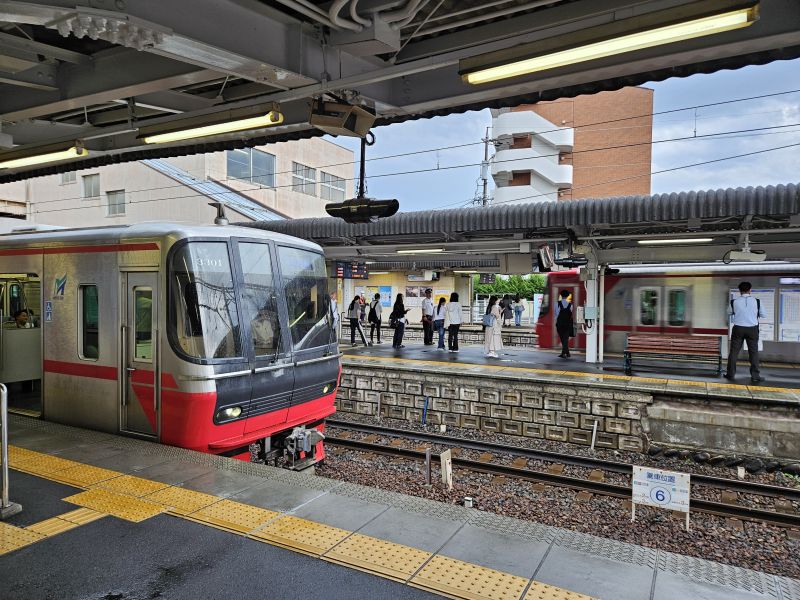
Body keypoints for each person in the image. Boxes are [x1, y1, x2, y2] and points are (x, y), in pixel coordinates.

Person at [725, 281, 765, 383]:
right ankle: (755, 376)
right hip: (752, 329)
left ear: (740, 291)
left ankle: (730, 374)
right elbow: (763, 314)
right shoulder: (757, 301)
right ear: (750, 290)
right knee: (753, 353)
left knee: (734, 352)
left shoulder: (734, 302)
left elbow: (728, 312)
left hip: (738, 328)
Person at [555, 290, 574, 359]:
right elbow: (570, 314)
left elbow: (556, 314)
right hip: (568, 324)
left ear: (561, 295)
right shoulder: (571, 305)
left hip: (560, 323)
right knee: (565, 339)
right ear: (568, 296)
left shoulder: (556, 303)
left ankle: (564, 353)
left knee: (563, 339)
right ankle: (567, 353)